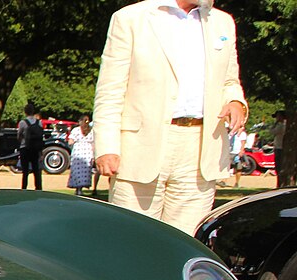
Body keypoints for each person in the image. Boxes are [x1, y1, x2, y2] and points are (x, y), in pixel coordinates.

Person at [93, 0, 247, 234]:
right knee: (133, 238)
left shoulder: (222, 22)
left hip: (202, 150)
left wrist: (236, 102)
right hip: (139, 148)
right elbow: (110, 89)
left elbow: (229, 81)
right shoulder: (130, 18)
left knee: (186, 243)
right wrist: (107, 147)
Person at [67, 114, 97, 195]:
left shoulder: (76, 130)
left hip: (78, 151)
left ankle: (78, 189)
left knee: (77, 170)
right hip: (88, 152)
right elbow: (93, 143)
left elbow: (70, 141)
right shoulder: (91, 131)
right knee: (85, 171)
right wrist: (94, 155)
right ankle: (81, 188)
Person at [17, 103, 45, 190]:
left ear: (25, 112)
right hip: (36, 148)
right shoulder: (39, 122)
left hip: (25, 148)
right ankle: (38, 187)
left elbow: (19, 135)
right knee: (36, 169)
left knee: (25, 170)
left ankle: (24, 188)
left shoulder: (23, 122)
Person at [274, 111, 287, 180]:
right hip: (279, 146)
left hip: (279, 147)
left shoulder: (281, 126)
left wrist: (275, 124)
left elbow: (272, 131)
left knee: (279, 166)